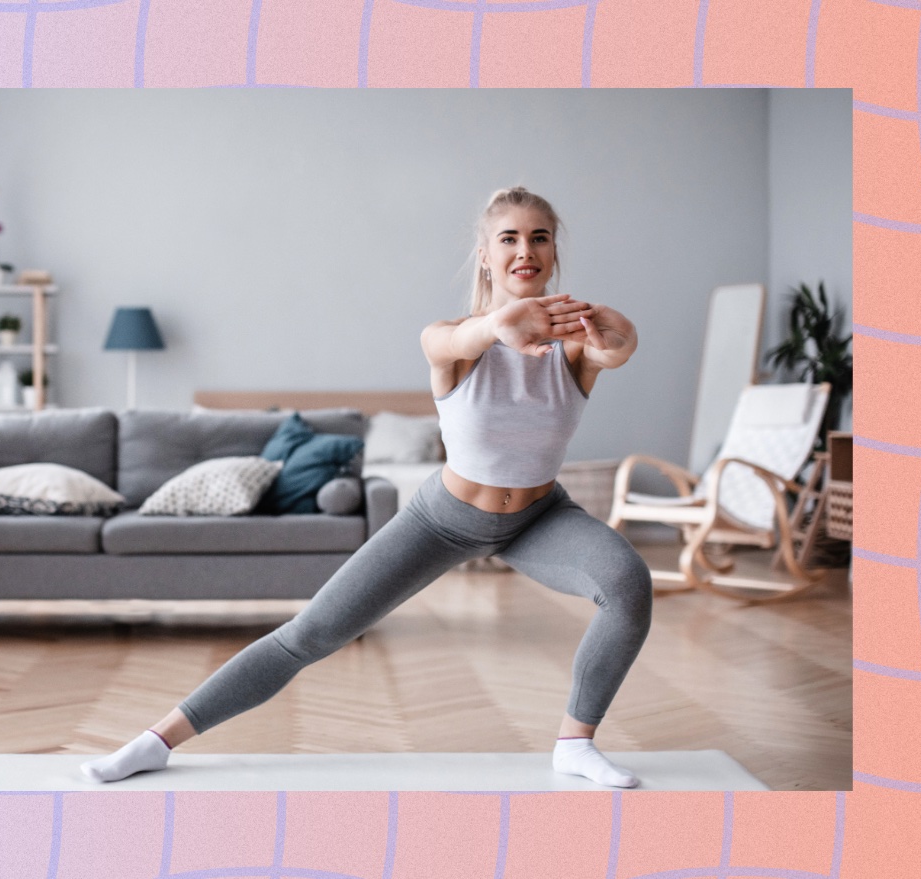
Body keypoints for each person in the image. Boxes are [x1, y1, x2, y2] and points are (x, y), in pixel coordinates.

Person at [81, 187, 652, 788]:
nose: (524, 249)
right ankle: (155, 741)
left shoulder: (571, 347)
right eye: (508, 238)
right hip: (445, 518)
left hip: (540, 519)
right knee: (311, 635)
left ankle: (574, 743)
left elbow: (611, 353)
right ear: (486, 254)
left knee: (626, 582)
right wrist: (497, 327)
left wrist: (623, 337)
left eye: (539, 237)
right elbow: (456, 343)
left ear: (554, 251)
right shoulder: (450, 336)